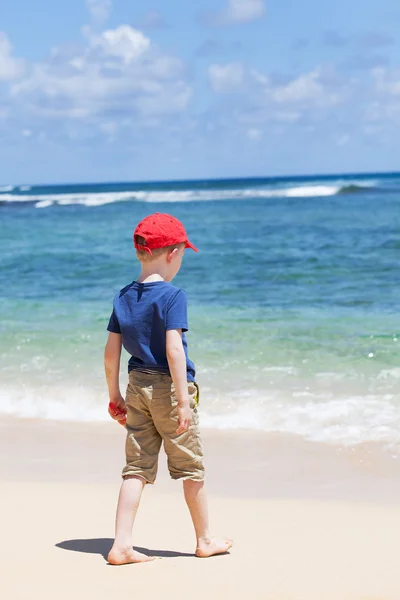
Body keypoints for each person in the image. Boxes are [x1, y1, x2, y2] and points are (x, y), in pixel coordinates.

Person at [104, 212, 232, 565]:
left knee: (136, 468)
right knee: (191, 467)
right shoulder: (173, 295)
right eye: (183, 255)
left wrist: (114, 395)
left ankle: (122, 545)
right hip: (169, 390)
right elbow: (174, 349)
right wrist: (183, 402)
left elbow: (111, 352)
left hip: (136, 385)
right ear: (173, 254)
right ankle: (205, 539)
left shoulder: (124, 296)